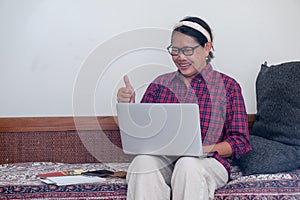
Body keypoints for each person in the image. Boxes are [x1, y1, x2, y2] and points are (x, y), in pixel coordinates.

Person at [117, 16, 251, 200]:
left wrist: (201, 149)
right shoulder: (160, 84)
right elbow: (143, 135)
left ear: (207, 48)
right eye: (175, 50)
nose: (180, 57)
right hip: (165, 159)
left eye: (187, 50)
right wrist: (128, 106)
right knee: (142, 163)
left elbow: (240, 141)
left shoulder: (228, 87)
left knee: (187, 164)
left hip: (208, 161)